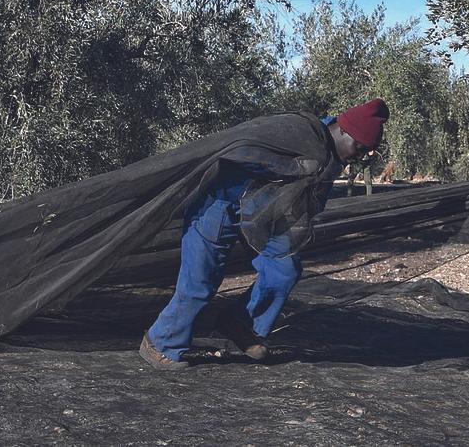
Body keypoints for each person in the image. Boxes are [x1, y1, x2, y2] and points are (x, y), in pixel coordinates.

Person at [139, 99, 389, 370]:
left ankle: (240, 324)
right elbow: (241, 148)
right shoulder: (301, 135)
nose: (358, 156)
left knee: (284, 270)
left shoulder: (331, 156)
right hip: (218, 204)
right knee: (200, 281)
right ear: (342, 130)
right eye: (359, 148)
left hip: (263, 213)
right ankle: (160, 343)